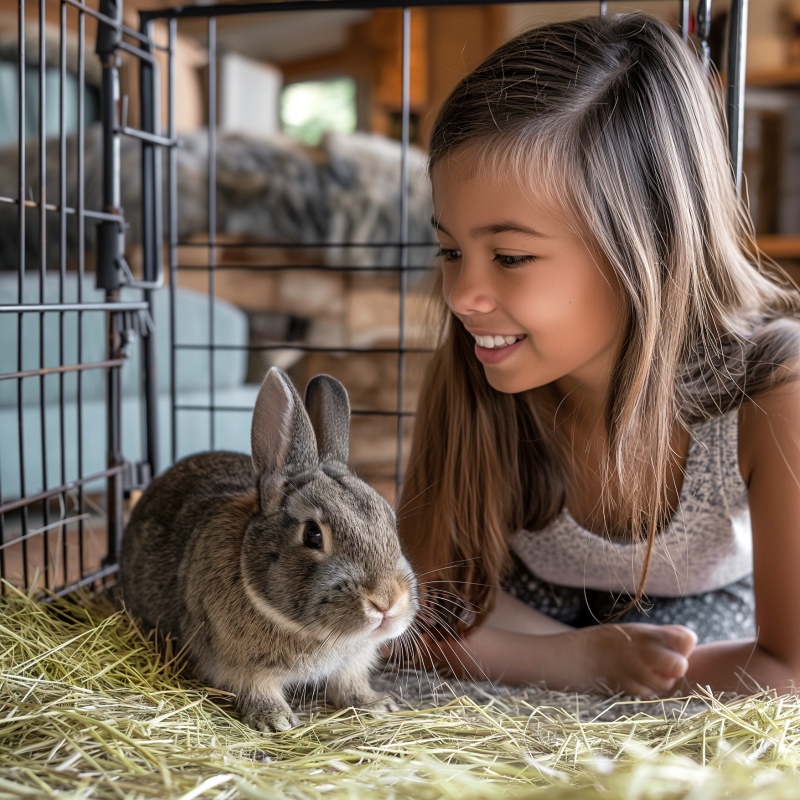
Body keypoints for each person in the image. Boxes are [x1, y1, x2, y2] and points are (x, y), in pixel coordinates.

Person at [397, 11, 800, 699]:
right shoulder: (481, 364)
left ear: (649, 246)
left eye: (512, 256)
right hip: (524, 629)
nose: (464, 296)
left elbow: (787, 669)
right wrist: (577, 663)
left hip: (709, 643)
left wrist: (627, 672)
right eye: (451, 250)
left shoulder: (775, 390)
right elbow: (410, 620)